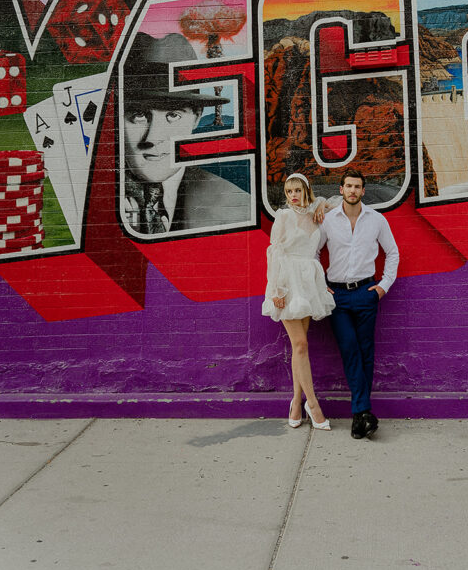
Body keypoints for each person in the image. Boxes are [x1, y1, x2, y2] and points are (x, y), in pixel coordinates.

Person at [122, 32, 252, 235]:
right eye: (139, 115)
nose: (154, 137)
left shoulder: (237, 204)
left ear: (197, 117)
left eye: (173, 115)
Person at [318, 168, 399, 440]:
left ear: (363, 191)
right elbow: (313, 252)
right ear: (341, 189)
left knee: (366, 352)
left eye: (357, 187)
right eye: (348, 186)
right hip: (337, 296)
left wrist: (382, 287)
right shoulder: (328, 220)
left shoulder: (376, 220)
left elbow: (393, 252)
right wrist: (322, 285)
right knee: (350, 348)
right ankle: (363, 410)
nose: (352, 191)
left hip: (366, 293)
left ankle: (359, 416)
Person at [262, 173, 337, 430]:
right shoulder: (283, 216)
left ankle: (296, 401)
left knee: (299, 349)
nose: (292, 195)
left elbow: (337, 202)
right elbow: (275, 253)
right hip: (288, 282)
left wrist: (319, 204)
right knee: (301, 344)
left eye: (297, 190)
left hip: (309, 283)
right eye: (288, 191)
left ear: (306, 190)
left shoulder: (315, 215)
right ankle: (313, 404)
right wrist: (277, 288)